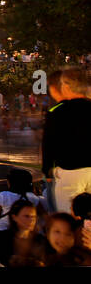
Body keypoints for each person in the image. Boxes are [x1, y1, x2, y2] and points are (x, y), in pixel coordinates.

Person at [42, 68, 91, 213]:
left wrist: (47, 170)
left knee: (68, 215)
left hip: (70, 171)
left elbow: (49, 144)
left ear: (68, 86)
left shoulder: (57, 112)